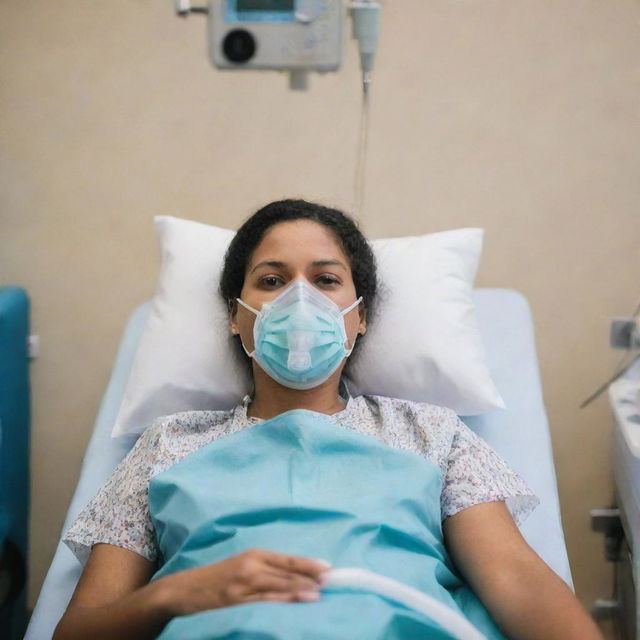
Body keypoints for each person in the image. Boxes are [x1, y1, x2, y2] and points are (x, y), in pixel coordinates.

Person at [54, 200, 603, 640]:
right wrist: (173, 595)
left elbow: (517, 582)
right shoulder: (167, 444)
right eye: (271, 281)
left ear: (359, 316)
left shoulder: (432, 434)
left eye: (325, 280)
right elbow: (79, 629)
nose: (300, 298)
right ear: (235, 318)